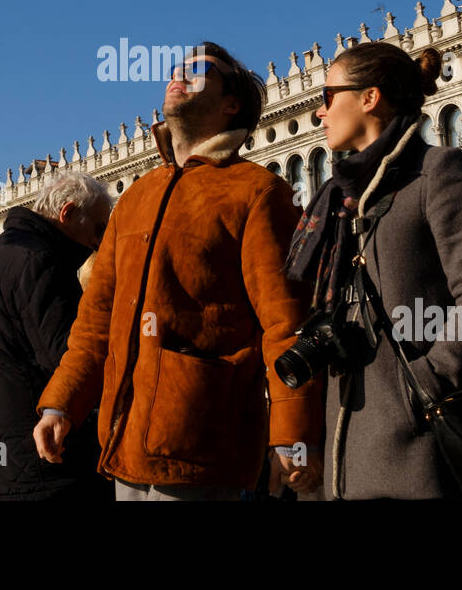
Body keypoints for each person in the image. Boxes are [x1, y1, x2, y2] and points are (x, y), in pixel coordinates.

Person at [35, 42, 324, 501]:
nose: (179, 74)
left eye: (199, 70)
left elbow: (287, 325)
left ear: (232, 104)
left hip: (205, 439)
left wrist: (294, 436)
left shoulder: (257, 192)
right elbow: (96, 321)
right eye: (177, 67)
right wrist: (61, 402)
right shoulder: (136, 198)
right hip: (125, 439)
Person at [283, 41, 462, 499]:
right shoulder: (340, 200)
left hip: (417, 453)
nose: (319, 115)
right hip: (346, 454)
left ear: (370, 98)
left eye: (327, 97)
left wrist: (420, 388)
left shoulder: (439, 173)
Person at [0, 172, 113, 500]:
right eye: (99, 228)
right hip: (45, 465)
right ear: (68, 213)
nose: (100, 240)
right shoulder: (42, 262)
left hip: (2, 463)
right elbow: (67, 357)